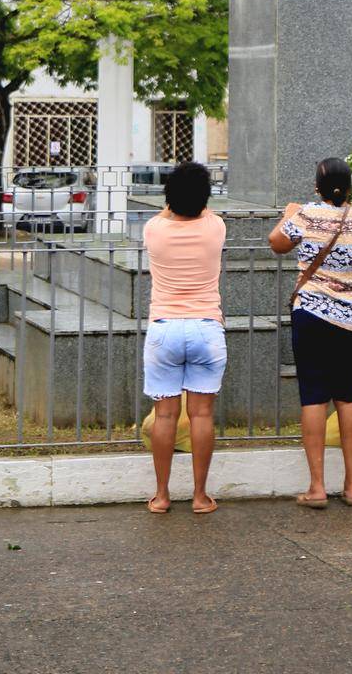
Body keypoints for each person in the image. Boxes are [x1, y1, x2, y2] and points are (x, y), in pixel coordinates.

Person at [268, 158, 352, 507]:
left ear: (318, 187)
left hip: (314, 313)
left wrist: (289, 213)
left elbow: (277, 242)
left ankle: (317, 487)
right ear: (349, 187)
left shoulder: (306, 214)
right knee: (349, 395)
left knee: (314, 396)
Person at [142, 161, 227, 516]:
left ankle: (161, 496)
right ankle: (200, 496)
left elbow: (168, 212)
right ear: (205, 197)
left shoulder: (153, 230)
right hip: (207, 328)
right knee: (201, 414)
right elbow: (202, 209)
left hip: (165, 328)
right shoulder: (216, 227)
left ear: (169, 196)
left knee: (165, 416)